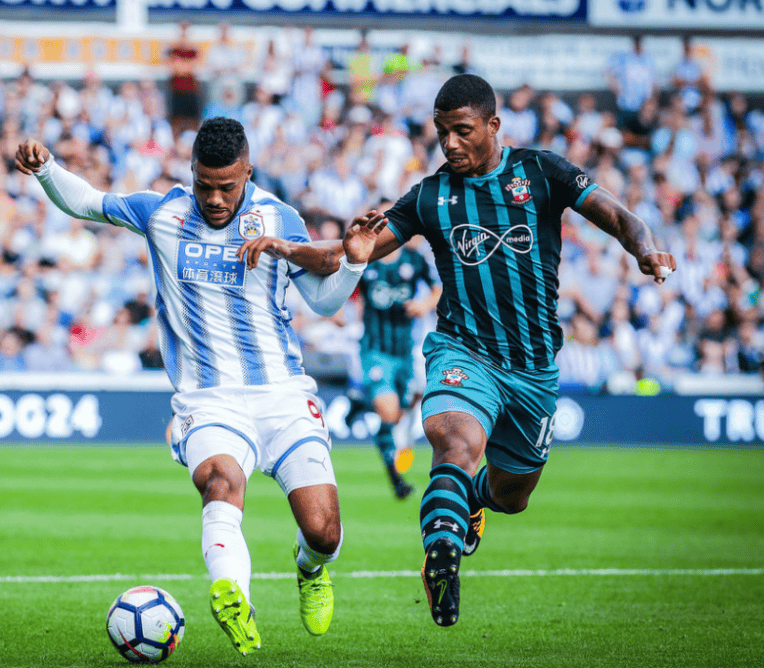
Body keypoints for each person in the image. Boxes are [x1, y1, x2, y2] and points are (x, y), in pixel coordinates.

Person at [236, 74, 676, 629]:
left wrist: (644, 248)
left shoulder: (542, 171)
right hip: (462, 352)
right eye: (442, 132)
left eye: (462, 131)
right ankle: (441, 553)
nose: (450, 144)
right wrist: (285, 247)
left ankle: (471, 502)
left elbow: (618, 215)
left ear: (493, 125)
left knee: (511, 495)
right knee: (456, 444)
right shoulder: (429, 196)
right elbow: (347, 254)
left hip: (534, 368)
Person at [14, 117, 386, 655]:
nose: (214, 198)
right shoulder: (162, 212)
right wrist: (47, 169)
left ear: (248, 172)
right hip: (207, 398)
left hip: (282, 392)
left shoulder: (279, 218)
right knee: (220, 482)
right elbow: (87, 202)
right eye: (204, 185)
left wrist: (352, 263)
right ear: (191, 171)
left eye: (226, 187)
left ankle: (311, 568)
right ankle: (234, 594)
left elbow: (324, 304)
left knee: (323, 531)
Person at [353, 210, 441, 499]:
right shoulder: (366, 261)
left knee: (406, 404)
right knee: (389, 411)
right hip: (375, 349)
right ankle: (395, 478)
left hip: (406, 350)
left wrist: (424, 305)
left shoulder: (414, 260)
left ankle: (361, 405)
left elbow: (438, 289)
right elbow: (343, 289)